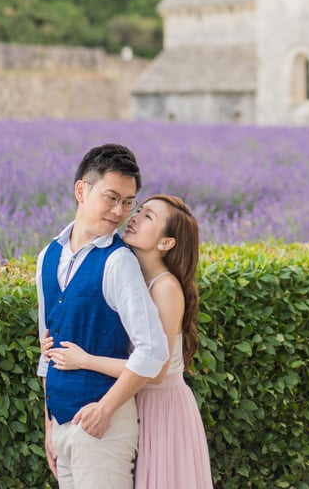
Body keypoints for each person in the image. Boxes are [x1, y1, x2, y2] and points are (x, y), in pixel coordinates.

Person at [43, 194, 214, 489]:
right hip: (133, 397)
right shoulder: (129, 275)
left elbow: (156, 370)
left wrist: (85, 360)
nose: (133, 217)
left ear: (166, 243)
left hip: (162, 406)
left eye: (148, 217)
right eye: (139, 210)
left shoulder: (165, 287)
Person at [36, 144, 169, 489]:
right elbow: (47, 350)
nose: (119, 211)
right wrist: (50, 426)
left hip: (103, 429)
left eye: (128, 202)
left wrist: (105, 409)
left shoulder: (118, 261)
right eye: (111, 197)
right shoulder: (46, 257)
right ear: (81, 190)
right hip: (63, 428)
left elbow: (153, 350)